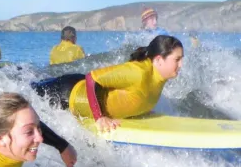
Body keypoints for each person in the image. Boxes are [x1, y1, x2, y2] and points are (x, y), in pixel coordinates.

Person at [32, 35, 184, 132]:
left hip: (74, 90)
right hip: (67, 93)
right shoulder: (138, 73)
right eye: (177, 59)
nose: (181, 64)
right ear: (158, 60)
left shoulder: (159, 78)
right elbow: (92, 78)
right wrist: (99, 117)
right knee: (29, 91)